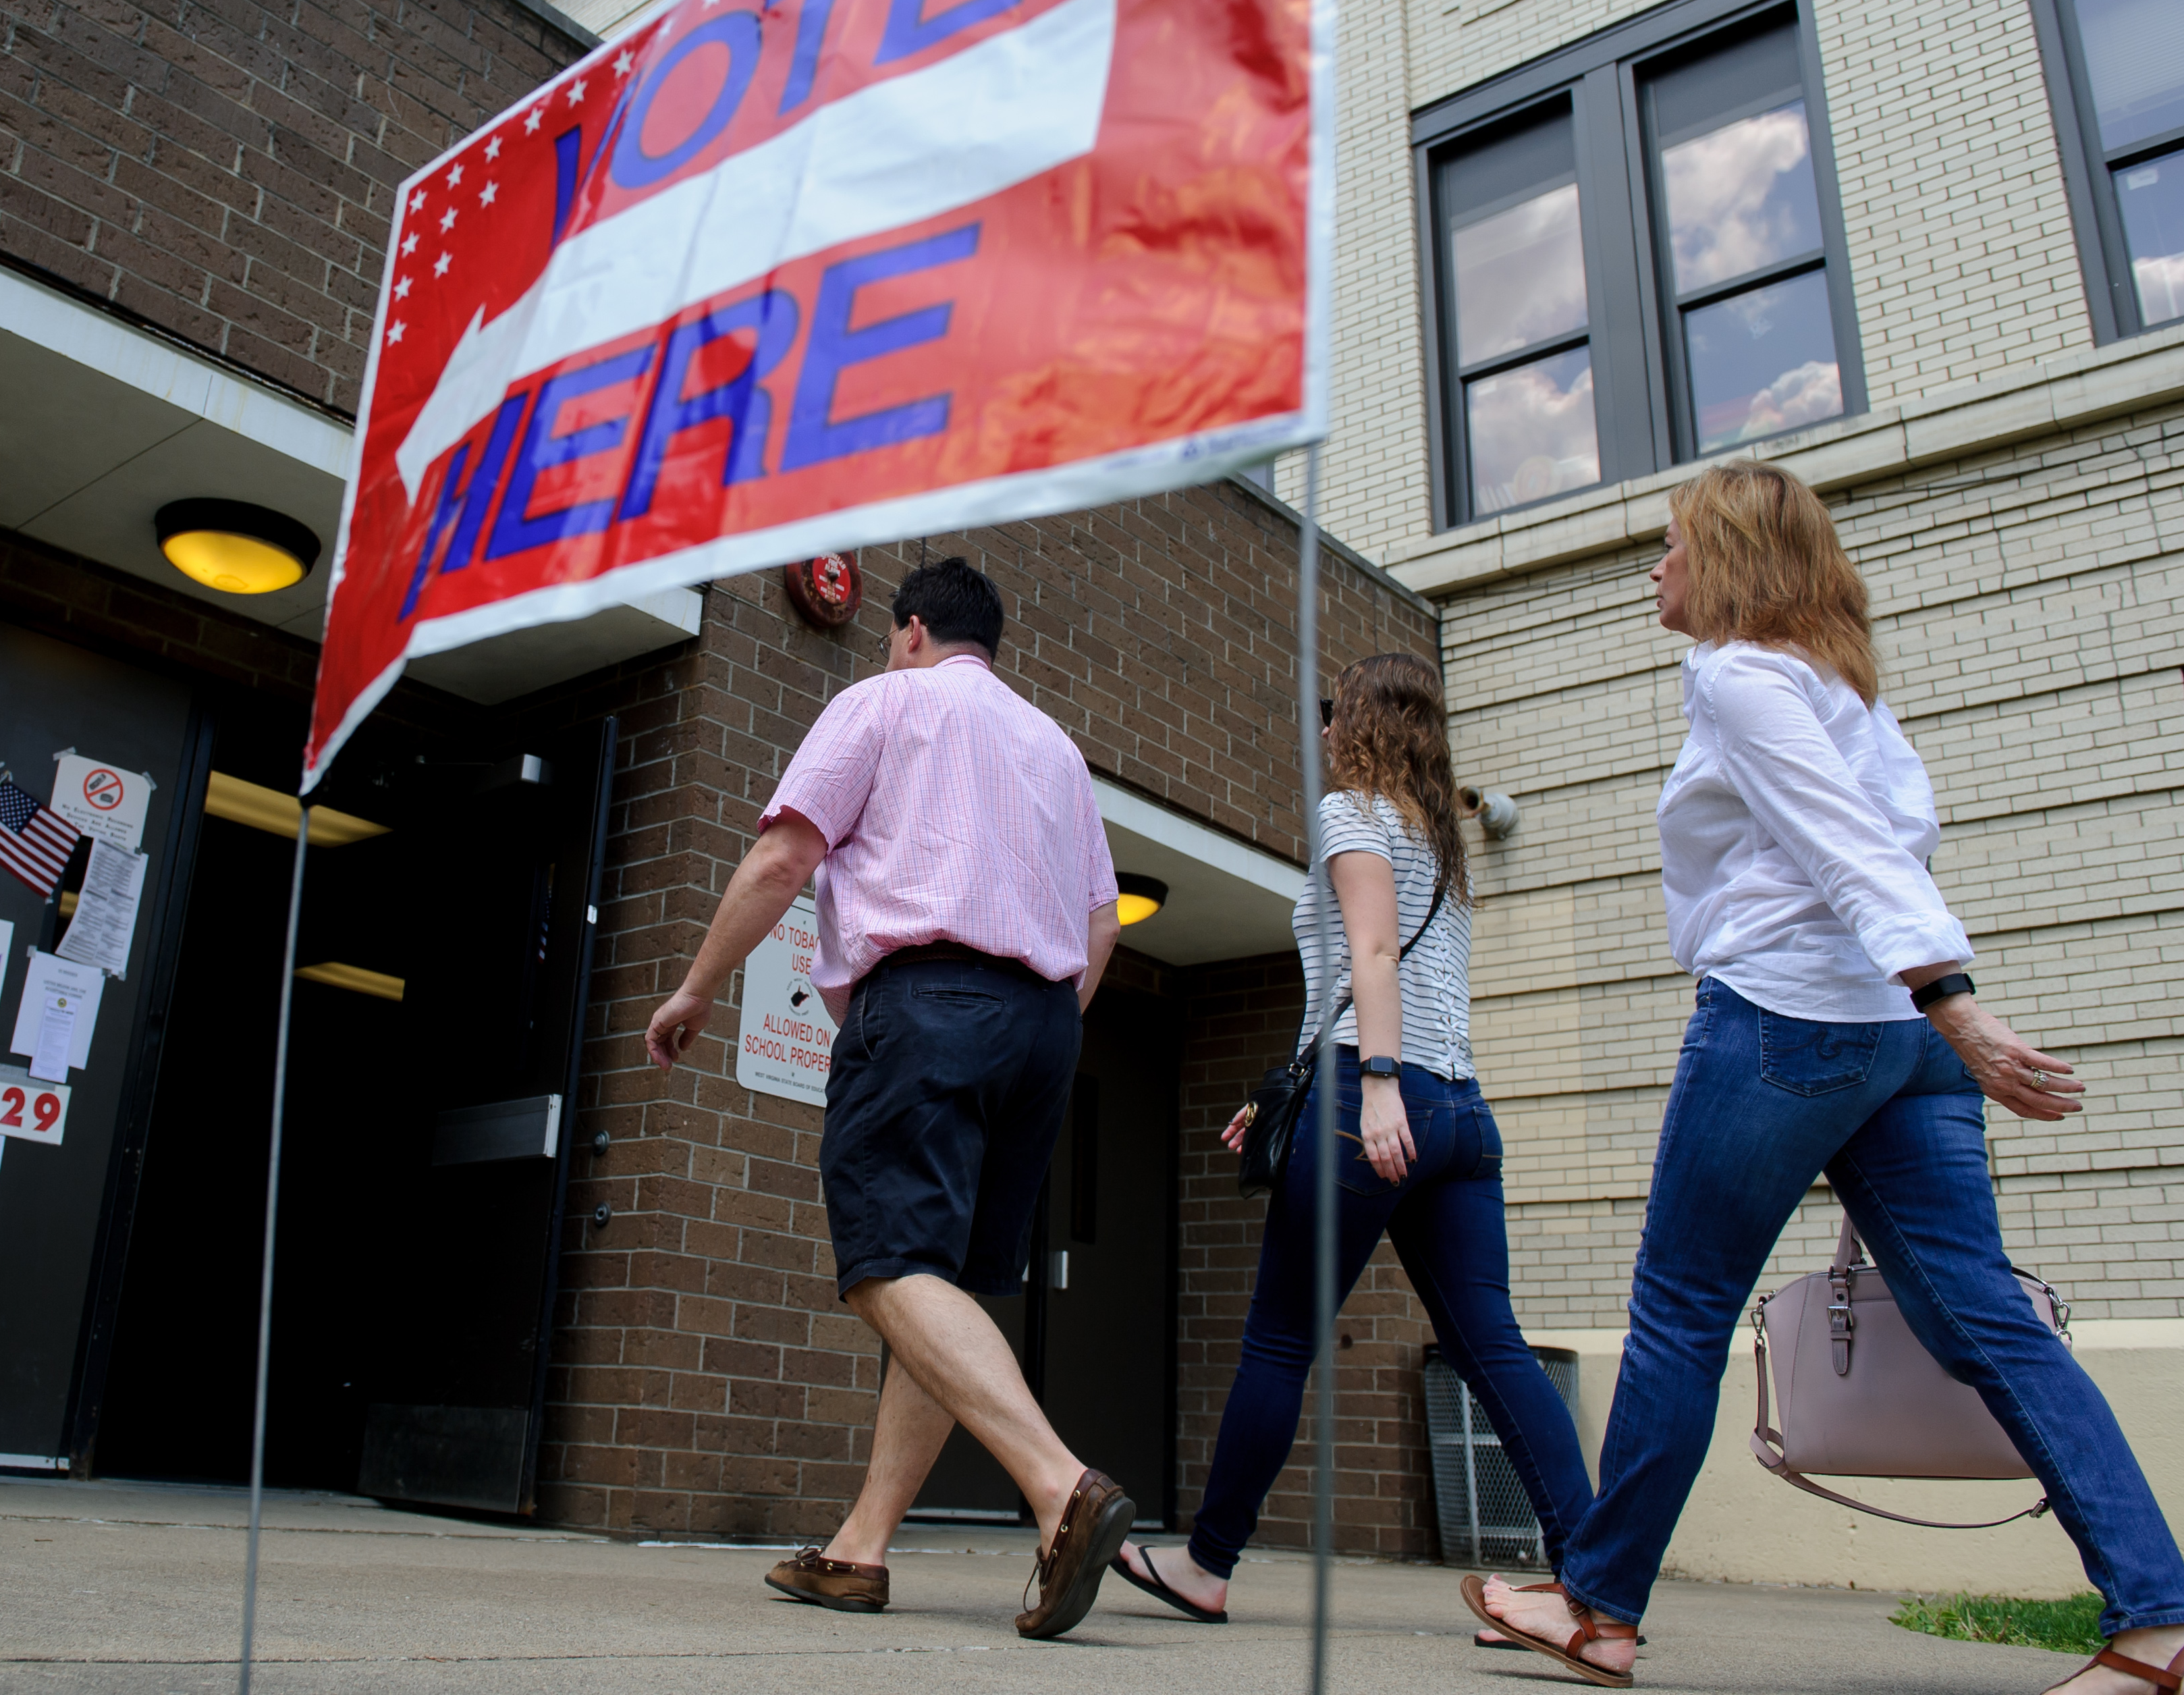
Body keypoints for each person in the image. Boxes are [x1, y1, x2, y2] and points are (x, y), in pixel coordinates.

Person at [1469, 459, 2184, 1695]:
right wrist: (1938, 1013)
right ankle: (2164, 1630)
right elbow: (1896, 836)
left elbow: (1851, 845)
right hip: (1898, 1038)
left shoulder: (1738, 674)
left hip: (1792, 1018)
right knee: (1987, 1321)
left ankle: (1596, 1609)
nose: (1652, 568)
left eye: (1670, 545)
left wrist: (1956, 999)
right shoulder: (1842, 685)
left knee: (1677, 1314)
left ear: (1726, 562)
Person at [643, 556, 1135, 1642]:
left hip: (926, 1001)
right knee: (947, 1276)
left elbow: (785, 858)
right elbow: (1102, 921)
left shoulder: (881, 702)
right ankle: (861, 1547)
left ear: (910, 629)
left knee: (887, 1265)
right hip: (1046, 1021)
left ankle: (1061, 1489)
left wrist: (695, 987)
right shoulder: (1053, 746)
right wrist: (1041, 1020)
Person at [1109, 653, 1593, 1626]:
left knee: (1279, 1341)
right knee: (1493, 1344)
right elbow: (1364, 971)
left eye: (1336, 714)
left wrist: (1371, 1088)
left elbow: (1372, 954)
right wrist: (1286, 1091)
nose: (1323, 729)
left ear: (1365, 722)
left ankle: (1207, 1565)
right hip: (1462, 1108)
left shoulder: (1352, 815)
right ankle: (1597, 1578)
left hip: (1379, 1092)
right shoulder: (1442, 840)